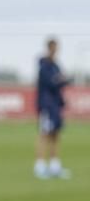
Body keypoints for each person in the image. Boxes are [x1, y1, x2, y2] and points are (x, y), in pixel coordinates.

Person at [34, 37, 73, 179]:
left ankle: (55, 166)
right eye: (54, 47)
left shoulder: (56, 65)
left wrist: (64, 81)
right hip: (46, 105)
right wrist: (61, 80)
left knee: (56, 135)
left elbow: (59, 83)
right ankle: (39, 166)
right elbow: (50, 84)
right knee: (44, 134)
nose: (56, 50)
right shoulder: (44, 66)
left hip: (56, 105)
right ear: (49, 48)